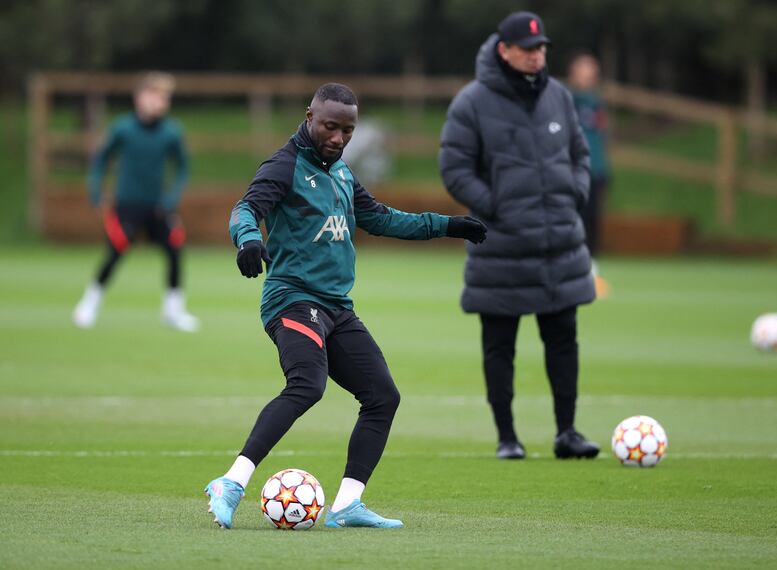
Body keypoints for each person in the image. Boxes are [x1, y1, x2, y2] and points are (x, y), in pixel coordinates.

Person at [204, 83, 486, 529]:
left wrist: (447, 225)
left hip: (336, 306)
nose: (338, 138)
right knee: (307, 385)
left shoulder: (340, 172)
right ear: (310, 116)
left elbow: (380, 218)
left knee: (382, 396)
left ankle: (347, 505)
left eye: (348, 130)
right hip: (293, 300)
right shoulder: (283, 166)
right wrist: (249, 240)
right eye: (331, 127)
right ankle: (231, 483)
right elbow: (246, 208)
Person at [439, 12, 600, 461]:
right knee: (499, 345)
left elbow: (579, 153)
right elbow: (454, 169)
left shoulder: (559, 97)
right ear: (504, 50)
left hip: (559, 247)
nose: (537, 56)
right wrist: (496, 208)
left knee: (564, 341)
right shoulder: (471, 103)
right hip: (502, 247)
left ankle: (567, 432)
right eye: (528, 49)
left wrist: (576, 195)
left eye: (542, 48)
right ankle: (507, 437)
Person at [72, 72, 198, 332]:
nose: (161, 102)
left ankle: (173, 311)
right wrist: (96, 190)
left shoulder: (171, 133)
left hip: (158, 207)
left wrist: (172, 197)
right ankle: (89, 304)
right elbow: (101, 160)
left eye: (165, 97)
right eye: (156, 96)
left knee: (175, 248)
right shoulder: (123, 128)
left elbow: (183, 168)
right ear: (140, 97)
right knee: (116, 251)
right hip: (126, 206)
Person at [568, 53, 611, 298]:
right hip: (572, 171)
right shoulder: (567, 101)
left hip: (596, 170)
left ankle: (589, 269)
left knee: (592, 220)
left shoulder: (597, 103)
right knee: (573, 220)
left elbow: (601, 137)